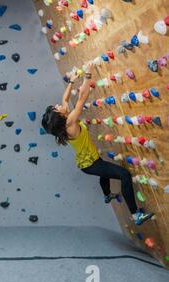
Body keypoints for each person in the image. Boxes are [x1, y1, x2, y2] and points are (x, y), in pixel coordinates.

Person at [41, 62, 153, 226]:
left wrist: (72, 81)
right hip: (90, 164)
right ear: (60, 116)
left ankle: (107, 195)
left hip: (87, 161)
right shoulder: (70, 123)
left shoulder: (65, 119)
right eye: (57, 108)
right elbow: (82, 98)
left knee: (104, 173)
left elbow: (65, 99)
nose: (59, 105)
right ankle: (136, 215)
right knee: (124, 175)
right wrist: (87, 74)